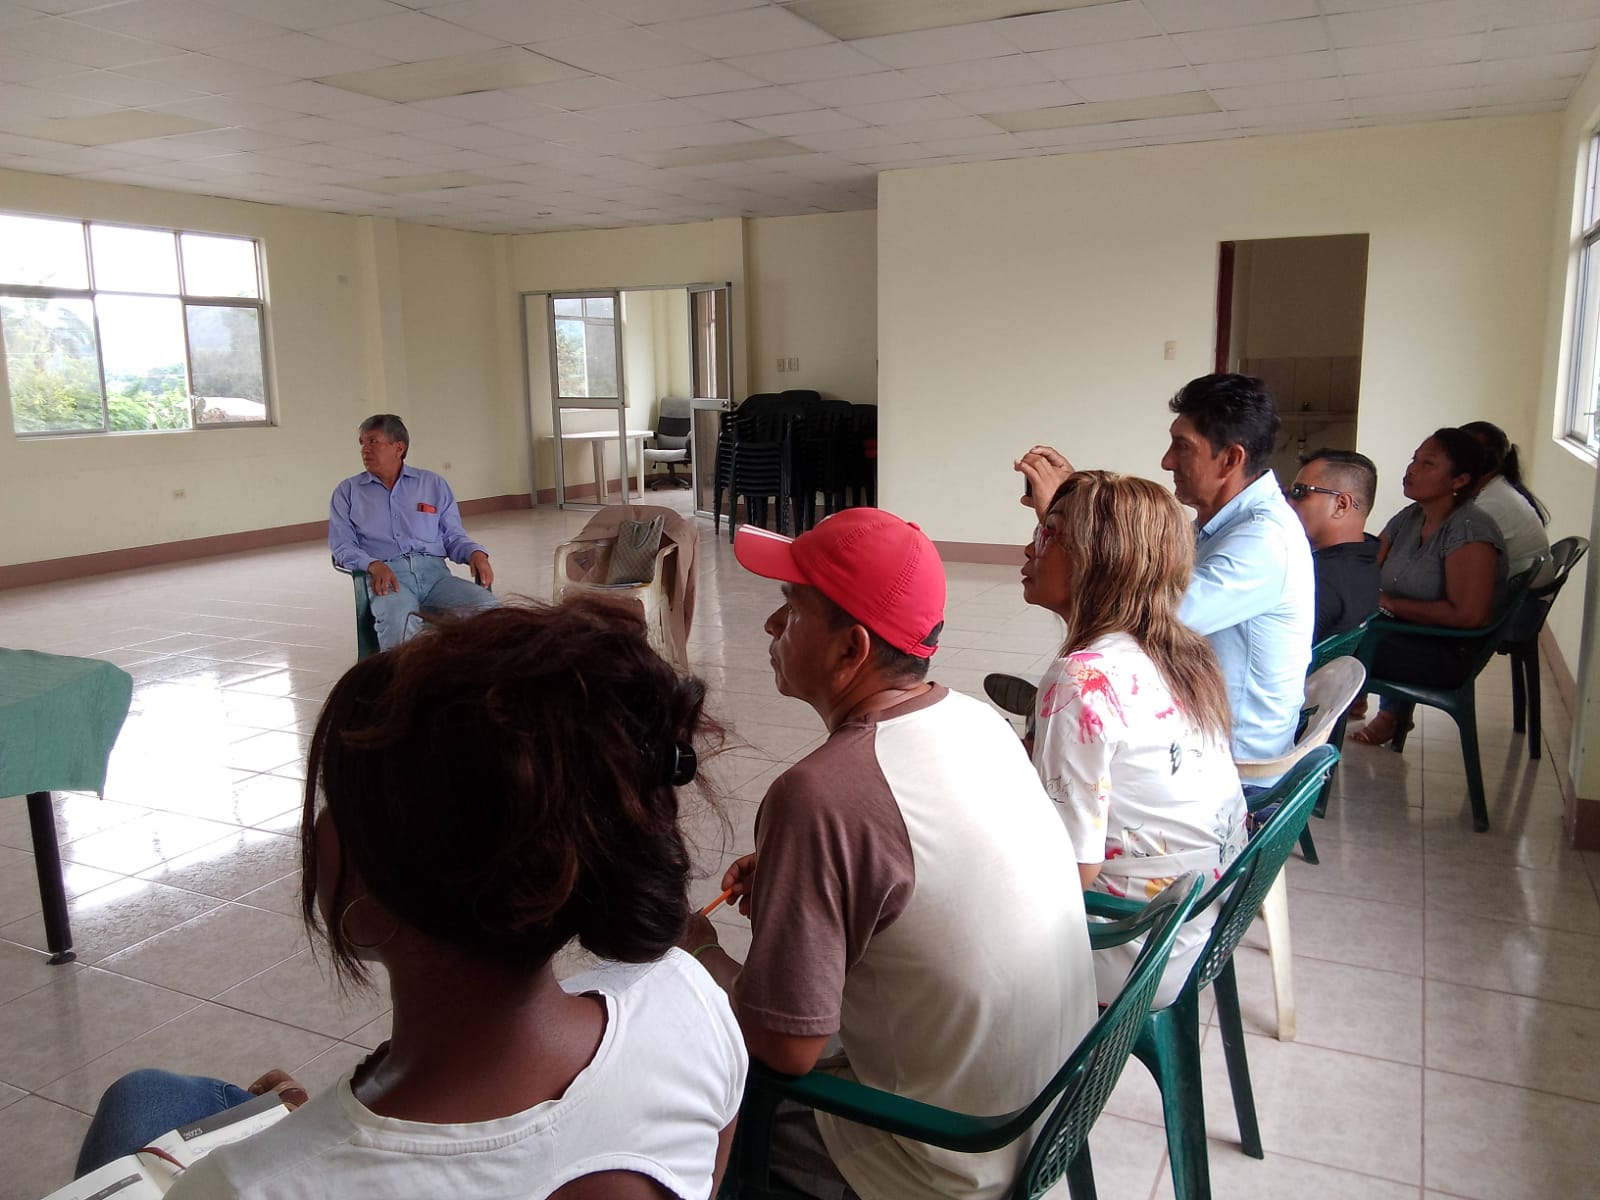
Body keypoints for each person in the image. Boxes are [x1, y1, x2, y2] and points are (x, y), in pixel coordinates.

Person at [74, 601, 747, 1200]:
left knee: (142, 1098)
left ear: (374, 891)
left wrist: (305, 1143)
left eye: (338, 803)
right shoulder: (689, 1005)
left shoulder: (247, 1186)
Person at [682, 509, 1097, 1200]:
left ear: (852, 649)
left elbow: (785, 1046)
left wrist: (700, 951)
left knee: (688, 1088)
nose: (771, 625)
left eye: (791, 608)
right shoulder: (975, 720)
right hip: (1049, 1116)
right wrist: (808, 881)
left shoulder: (820, 795)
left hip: (939, 1158)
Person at [1021, 470, 1245, 1007]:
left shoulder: (1081, 679)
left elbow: (1071, 871)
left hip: (1131, 944)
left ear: (1099, 560)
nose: (1029, 548)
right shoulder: (1182, 650)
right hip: (1196, 921)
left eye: (1050, 532)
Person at [1017, 373, 1315, 770]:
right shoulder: (1221, 526)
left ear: (1231, 459)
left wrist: (1065, 524)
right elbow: (1144, 568)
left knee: (1060, 726)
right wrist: (1079, 502)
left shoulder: (1264, 542)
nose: (1167, 461)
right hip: (1192, 726)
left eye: (1182, 447)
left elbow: (1137, 622)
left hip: (1230, 762)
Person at [1352, 429, 1508, 747]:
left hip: (1442, 653)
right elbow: (1366, 567)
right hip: (1400, 634)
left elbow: (1469, 616)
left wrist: (1390, 603)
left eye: (1428, 464)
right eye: (1414, 460)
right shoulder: (1409, 517)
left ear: (1459, 480)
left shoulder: (1470, 530)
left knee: (1325, 644)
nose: (1411, 469)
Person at [329, 413, 497, 651]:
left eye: (373, 441)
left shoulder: (432, 484)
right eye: (362, 443)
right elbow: (342, 546)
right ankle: (401, 675)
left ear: (399, 448)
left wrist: (475, 553)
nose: (365, 449)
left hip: (436, 578)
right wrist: (372, 565)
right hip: (388, 579)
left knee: (489, 611)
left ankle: (477, 672)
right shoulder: (347, 492)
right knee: (399, 620)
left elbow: (453, 536)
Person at [1286, 448, 1381, 643]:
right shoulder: (1365, 557)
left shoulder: (1321, 581)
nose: (1288, 502)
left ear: (1341, 505)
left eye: (1299, 492)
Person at [1460, 419, 1554, 587]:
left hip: (1519, 595)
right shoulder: (1496, 488)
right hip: (1515, 583)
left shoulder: (1493, 504)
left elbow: (1461, 563)